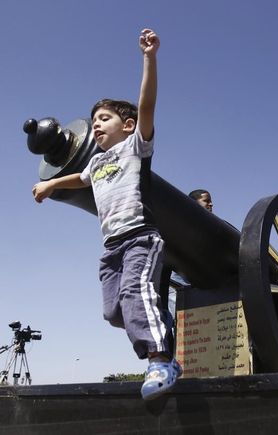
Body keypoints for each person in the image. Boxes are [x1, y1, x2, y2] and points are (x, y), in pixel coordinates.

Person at [32, 29, 181, 400]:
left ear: (126, 125)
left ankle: (161, 360)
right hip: (111, 246)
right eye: (93, 120)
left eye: (104, 118)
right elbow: (79, 178)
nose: (95, 124)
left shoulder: (135, 145)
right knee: (115, 312)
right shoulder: (97, 162)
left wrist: (149, 57)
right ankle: (161, 326)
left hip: (139, 237)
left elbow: (146, 105)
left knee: (135, 293)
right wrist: (51, 186)